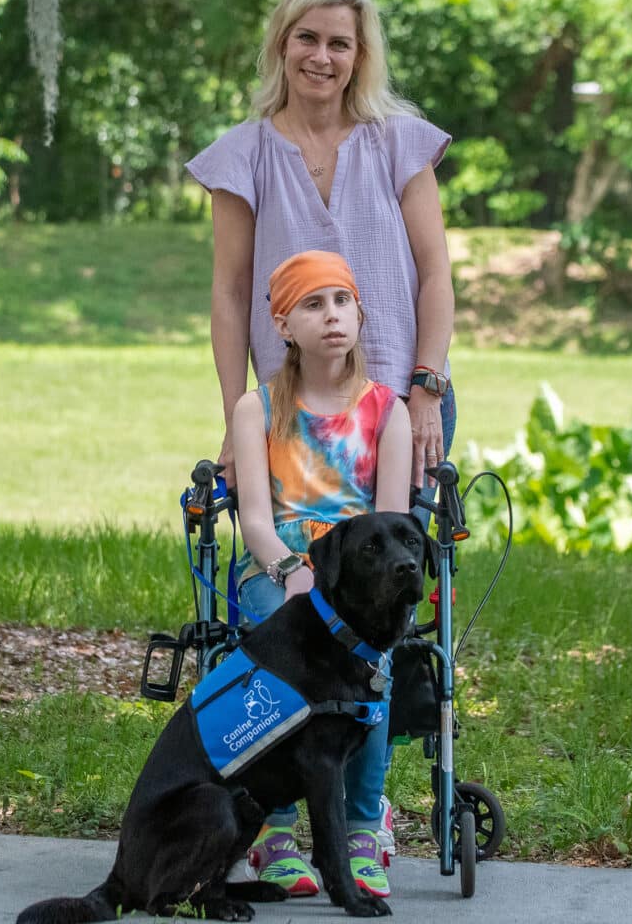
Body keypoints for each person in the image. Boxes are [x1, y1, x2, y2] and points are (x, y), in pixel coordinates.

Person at [186, 0, 456, 494]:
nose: (321, 57)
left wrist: (427, 387)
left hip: (404, 398)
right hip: (293, 412)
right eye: (307, 37)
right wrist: (235, 421)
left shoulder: (399, 143)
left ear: (360, 57)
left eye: (340, 44)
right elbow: (231, 293)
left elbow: (435, 274)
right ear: (282, 43)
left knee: (395, 567)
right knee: (301, 566)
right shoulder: (242, 157)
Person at [232, 249, 412, 899]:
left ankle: (363, 827)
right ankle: (274, 829)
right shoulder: (258, 410)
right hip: (276, 563)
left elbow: (393, 523)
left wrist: (345, 579)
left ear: (358, 314)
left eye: (341, 302)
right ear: (283, 325)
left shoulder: (385, 410)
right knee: (276, 648)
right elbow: (254, 519)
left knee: (370, 662)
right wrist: (289, 570)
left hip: (362, 569)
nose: (331, 317)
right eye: (313, 304)